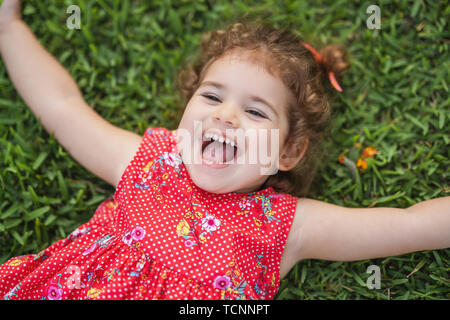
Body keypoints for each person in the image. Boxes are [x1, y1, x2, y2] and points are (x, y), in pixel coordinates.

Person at [0, 0, 448, 300]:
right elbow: (61, 107)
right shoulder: (147, 161)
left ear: (287, 152)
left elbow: (409, 224)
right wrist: (9, 27)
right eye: (212, 97)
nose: (225, 116)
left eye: (255, 112)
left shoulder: (288, 226)